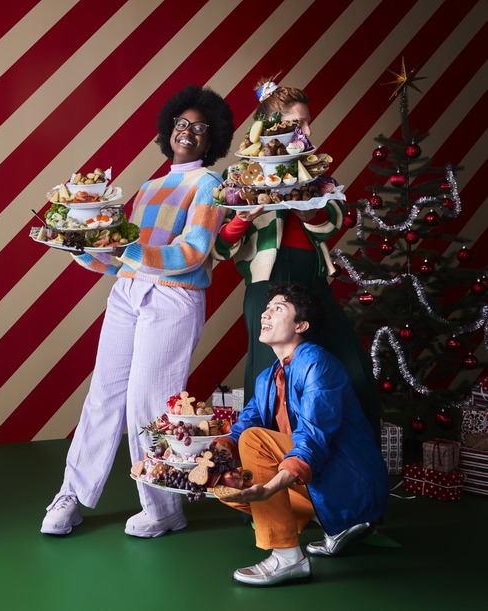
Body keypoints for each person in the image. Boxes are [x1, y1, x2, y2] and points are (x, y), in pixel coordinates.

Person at [41, 84, 235, 537]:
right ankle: (72, 494)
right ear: (169, 129)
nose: (188, 132)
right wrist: (80, 248)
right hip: (128, 293)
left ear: (213, 139)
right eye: (182, 124)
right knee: (102, 396)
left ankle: (164, 506)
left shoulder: (210, 185)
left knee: (149, 403)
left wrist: (127, 250)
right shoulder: (149, 187)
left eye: (201, 128)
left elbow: (191, 252)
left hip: (173, 297)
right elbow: (122, 260)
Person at [212, 76, 381, 444]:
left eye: (307, 122)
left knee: (354, 371)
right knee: (268, 383)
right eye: (299, 122)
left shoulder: (314, 172)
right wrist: (243, 219)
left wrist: (309, 213)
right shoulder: (239, 177)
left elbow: (334, 218)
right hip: (266, 286)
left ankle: (358, 461)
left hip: (313, 283)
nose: (308, 131)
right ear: (272, 126)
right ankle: (267, 465)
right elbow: (220, 248)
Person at [214, 282, 388, 586]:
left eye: (278, 309)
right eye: (266, 308)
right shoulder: (267, 377)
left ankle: (287, 558)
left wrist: (271, 488)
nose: (265, 314)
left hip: (349, 481)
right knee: (226, 484)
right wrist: (214, 454)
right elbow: (242, 426)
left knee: (255, 440)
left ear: (301, 325)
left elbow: (313, 438)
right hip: (316, 480)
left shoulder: (317, 363)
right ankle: (336, 525)